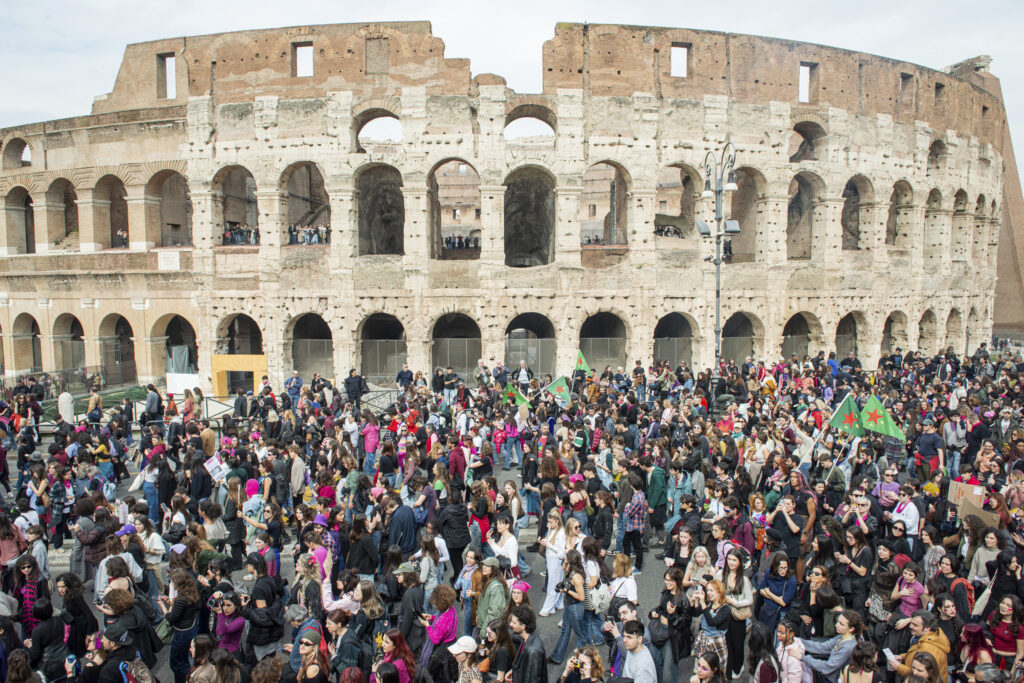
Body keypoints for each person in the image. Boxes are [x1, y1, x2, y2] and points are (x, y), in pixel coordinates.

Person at [798, 610, 863, 683]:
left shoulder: (847, 647)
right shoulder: (841, 637)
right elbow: (822, 647)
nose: (836, 625)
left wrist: (802, 657)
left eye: (841, 624)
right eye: (838, 622)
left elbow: (828, 667)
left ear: (851, 629)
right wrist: (798, 641)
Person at [161, 569, 201, 683]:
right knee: (186, 659)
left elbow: (172, 618)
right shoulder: (192, 595)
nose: (171, 583)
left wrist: (164, 609)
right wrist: (172, 604)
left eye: (172, 581)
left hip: (181, 633)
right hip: (191, 628)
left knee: (177, 663)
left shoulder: (180, 600)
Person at [510, 606, 548, 683]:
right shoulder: (526, 638)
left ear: (523, 626)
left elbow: (532, 679)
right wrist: (513, 672)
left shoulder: (534, 651)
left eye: (514, 623)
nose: (510, 624)